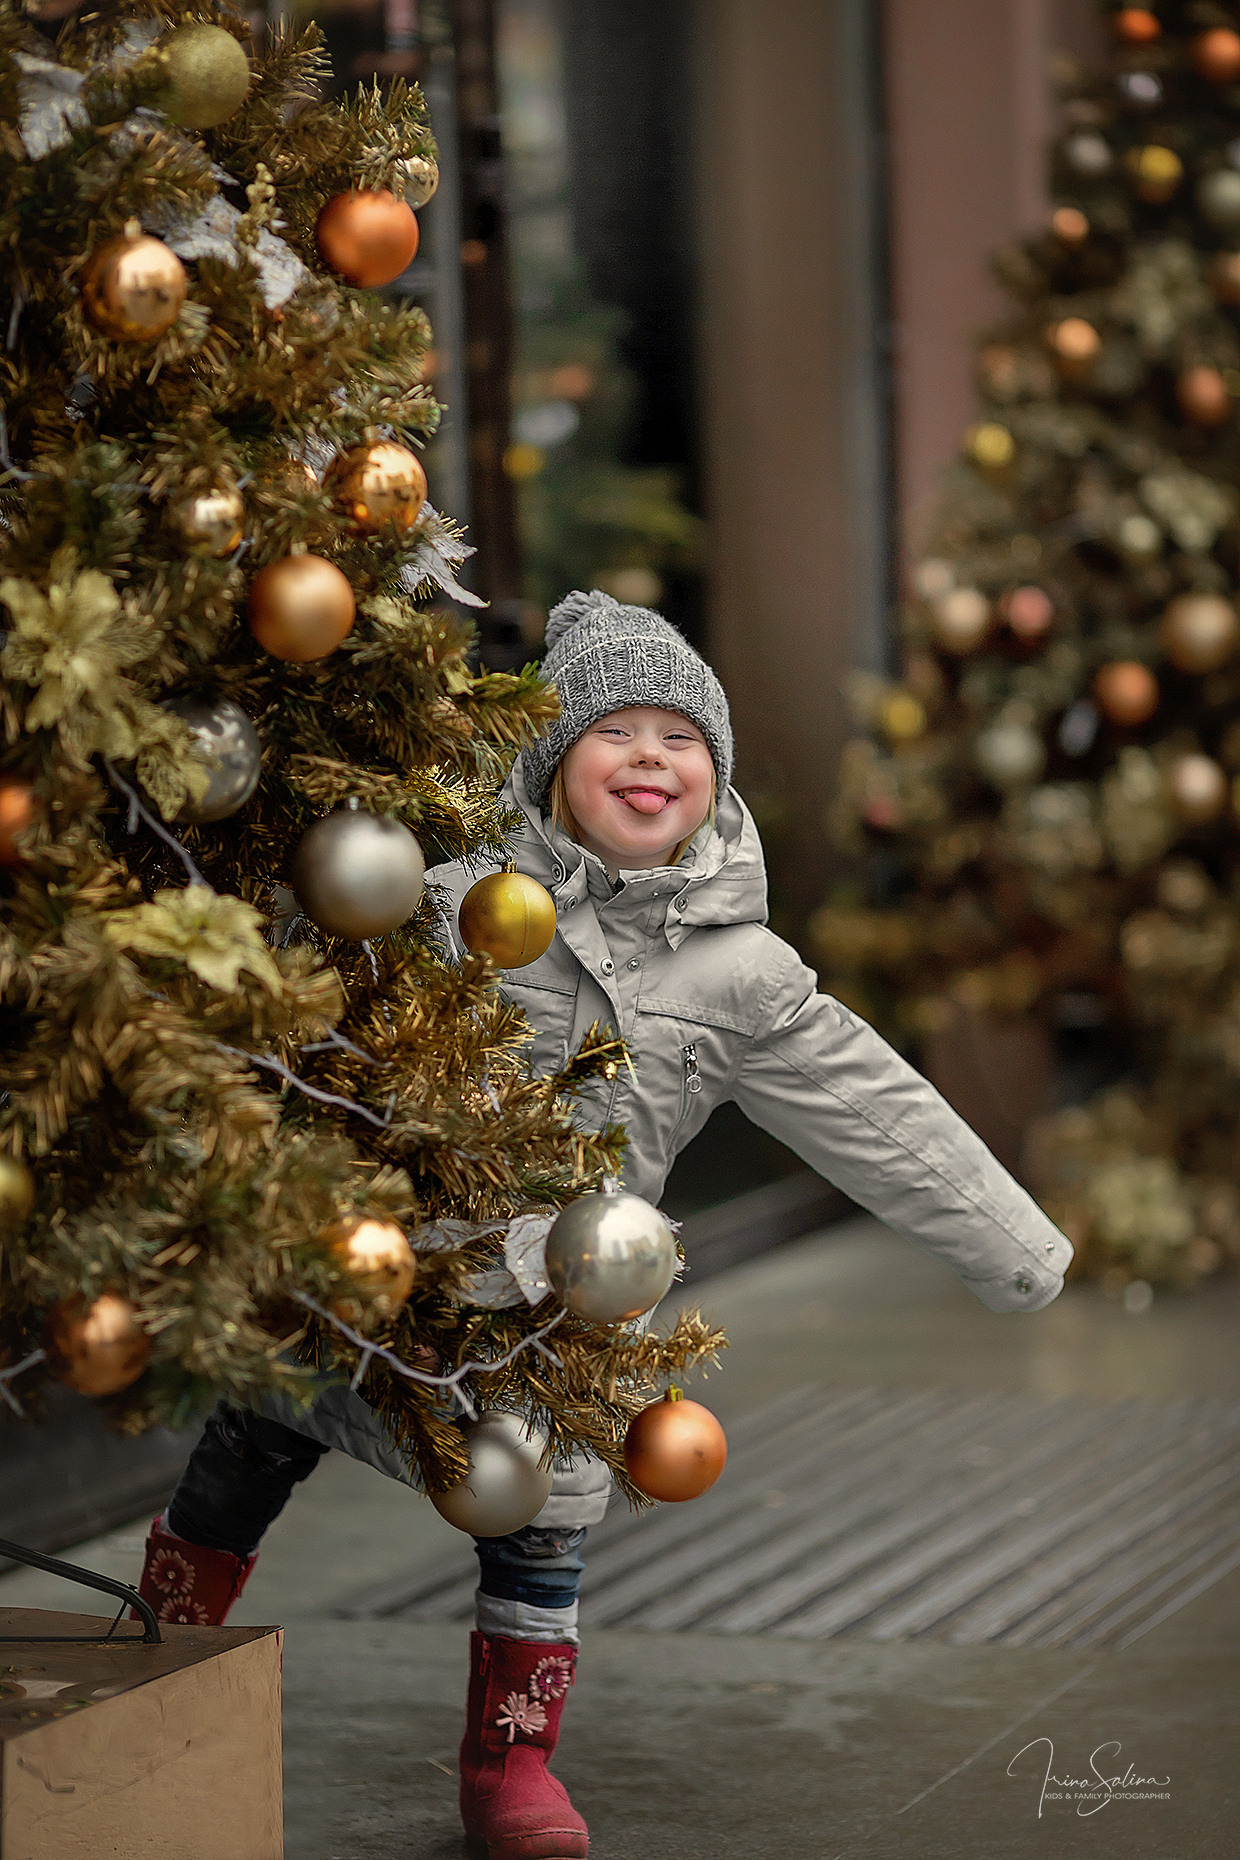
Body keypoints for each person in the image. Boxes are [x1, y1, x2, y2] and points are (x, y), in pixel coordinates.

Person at [135, 589, 1074, 1860]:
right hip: (373, 1251)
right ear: (553, 765)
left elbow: (877, 1108)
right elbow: (312, 995)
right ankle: (154, 1650)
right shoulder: (458, 897)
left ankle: (508, 1761)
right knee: (259, 1420)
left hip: (556, 1296)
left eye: (680, 737)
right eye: (614, 731)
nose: (649, 756)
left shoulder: (737, 971)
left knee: (553, 1497)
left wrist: (1018, 1255)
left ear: (716, 777)